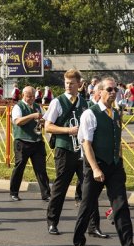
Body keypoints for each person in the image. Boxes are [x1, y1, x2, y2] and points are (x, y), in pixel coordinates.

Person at [72, 78, 134, 246]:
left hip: (114, 166)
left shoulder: (115, 113)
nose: (113, 92)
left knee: (121, 206)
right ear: (99, 92)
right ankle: (79, 242)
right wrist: (95, 169)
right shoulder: (90, 114)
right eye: (109, 89)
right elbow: (86, 144)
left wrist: (119, 161)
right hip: (96, 166)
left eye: (115, 89)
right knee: (87, 205)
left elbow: (117, 140)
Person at [43, 69, 102, 236]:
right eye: (66, 83)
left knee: (89, 189)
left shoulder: (84, 102)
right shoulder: (57, 102)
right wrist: (68, 130)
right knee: (60, 188)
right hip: (64, 150)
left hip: (83, 151)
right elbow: (48, 127)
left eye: (72, 83)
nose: (68, 86)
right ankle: (52, 222)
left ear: (79, 84)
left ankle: (93, 226)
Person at [8, 87, 50, 201]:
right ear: (23, 95)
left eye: (33, 96)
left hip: (37, 141)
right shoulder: (18, 107)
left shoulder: (38, 107)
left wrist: (42, 121)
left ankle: (46, 194)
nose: (31, 99)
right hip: (22, 141)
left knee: (41, 169)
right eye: (28, 96)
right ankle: (14, 192)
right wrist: (32, 116)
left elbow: (46, 119)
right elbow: (18, 121)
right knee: (19, 168)